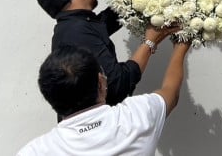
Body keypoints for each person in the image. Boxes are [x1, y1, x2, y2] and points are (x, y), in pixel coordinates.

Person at [17, 42, 190, 155]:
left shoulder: (35, 151)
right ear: (101, 82)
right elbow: (171, 92)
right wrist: (181, 45)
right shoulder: (137, 115)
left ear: (48, 97)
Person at [35, 0, 173, 106]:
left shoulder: (73, 25)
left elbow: (104, 24)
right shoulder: (77, 31)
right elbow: (116, 85)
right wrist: (150, 42)